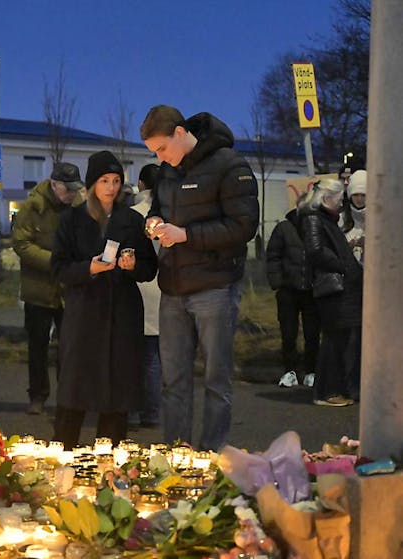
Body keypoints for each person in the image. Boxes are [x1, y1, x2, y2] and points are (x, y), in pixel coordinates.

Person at [140, 105, 259, 451]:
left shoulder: (230, 165)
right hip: (173, 287)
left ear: (180, 133)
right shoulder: (167, 172)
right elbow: (157, 209)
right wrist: (153, 223)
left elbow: (243, 226)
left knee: (215, 379)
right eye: (154, 153)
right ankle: (175, 455)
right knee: (172, 380)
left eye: (162, 148)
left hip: (215, 288)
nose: (160, 157)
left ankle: (211, 457)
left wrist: (186, 235)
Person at [50, 151, 158, 447]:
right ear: (91, 184)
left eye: (116, 180)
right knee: (75, 391)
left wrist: (134, 266)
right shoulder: (72, 220)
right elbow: (59, 267)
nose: (111, 187)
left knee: (116, 395)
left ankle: (108, 462)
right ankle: (63, 454)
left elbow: (150, 267)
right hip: (84, 314)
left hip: (121, 316)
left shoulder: (132, 220)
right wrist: (90, 267)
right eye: (104, 180)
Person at [12, 162, 84, 415]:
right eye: (68, 190)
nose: (73, 194)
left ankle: (68, 397)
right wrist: (54, 262)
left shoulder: (79, 206)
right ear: (54, 185)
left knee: (70, 347)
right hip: (39, 289)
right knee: (38, 345)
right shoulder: (32, 207)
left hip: (68, 290)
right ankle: (38, 395)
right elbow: (21, 243)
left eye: (76, 189)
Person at [299, 178, 362, 406]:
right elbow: (316, 251)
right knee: (335, 341)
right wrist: (343, 265)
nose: (341, 204)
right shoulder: (315, 219)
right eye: (338, 199)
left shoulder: (324, 219)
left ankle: (337, 389)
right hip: (335, 289)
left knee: (341, 340)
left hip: (342, 288)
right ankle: (328, 391)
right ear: (326, 199)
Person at [266, 197, 319, 389]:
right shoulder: (284, 228)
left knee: (312, 334)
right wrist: (278, 283)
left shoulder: (319, 227)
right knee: (288, 333)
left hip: (312, 290)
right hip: (288, 290)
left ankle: (311, 371)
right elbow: (273, 256)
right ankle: (290, 371)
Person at [132, 163, 164, 427]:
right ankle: (152, 413)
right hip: (164, 290)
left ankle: (130, 410)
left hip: (137, 289)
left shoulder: (131, 215)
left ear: (141, 184)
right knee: (154, 357)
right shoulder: (170, 213)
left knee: (133, 356)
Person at [342, 170, 366, 266]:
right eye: (355, 195)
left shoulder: (381, 220)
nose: (359, 199)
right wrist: (348, 246)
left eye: (363, 195)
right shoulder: (340, 219)